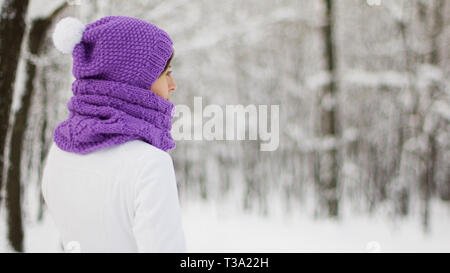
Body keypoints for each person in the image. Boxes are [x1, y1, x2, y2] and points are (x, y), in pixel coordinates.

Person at [41, 16, 186, 252]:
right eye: (166, 73)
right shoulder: (150, 165)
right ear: (132, 81)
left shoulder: (60, 150)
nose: (173, 84)